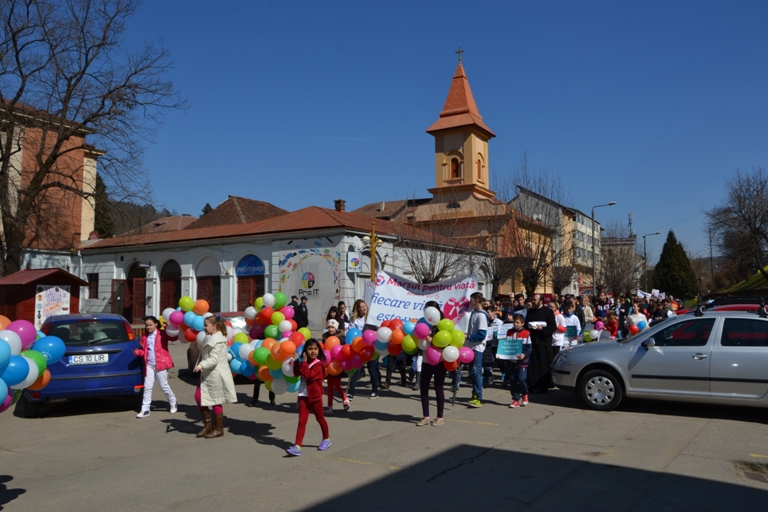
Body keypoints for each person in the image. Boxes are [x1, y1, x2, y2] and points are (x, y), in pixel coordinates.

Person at [193, 315, 237, 438]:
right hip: (208, 374)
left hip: (215, 374)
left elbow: (214, 360)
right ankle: (208, 425)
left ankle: (218, 429)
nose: (204, 328)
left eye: (206, 325)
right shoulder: (213, 338)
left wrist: (201, 365)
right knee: (199, 397)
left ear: (214, 326)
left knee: (215, 400)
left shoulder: (217, 341)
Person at [286, 338, 332, 456]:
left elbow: (309, 375)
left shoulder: (319, 365)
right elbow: (297, 373)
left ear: (318, 351)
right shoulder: (304, 362)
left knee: (320, 418)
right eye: (310, 348)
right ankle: (297, 446)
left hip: (315, 396)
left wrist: (304, 363)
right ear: (305, 351)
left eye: (315, 349)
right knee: (302, 421)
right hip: (303, 396)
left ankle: (326, 439)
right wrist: (297, 361)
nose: (313, 351)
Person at [134, 316, 177, 418]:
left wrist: (171, 328)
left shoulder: (162, 334)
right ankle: (145, 409)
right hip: (149, 364)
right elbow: (145, 351)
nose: (148, 327)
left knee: (164, 386)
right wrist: (138, 352)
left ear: (156, 324)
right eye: (147, 325)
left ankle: (173, 401)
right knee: (148, 387)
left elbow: (174, 337)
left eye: (150, 325)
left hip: (161, 364)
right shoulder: (145, 337)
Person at [416, 301, 449, 426]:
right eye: (425, 310)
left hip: (439, 360)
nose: (426, 313)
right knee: (424, 388)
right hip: (426, 360)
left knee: (438, 387)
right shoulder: (423, 323)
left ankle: (440, 417)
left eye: (428, 310)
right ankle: (426, 416)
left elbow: (446, 342)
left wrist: (433, 340)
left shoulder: (442, 325)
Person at [347, 299, 380, 399]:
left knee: (372, 369)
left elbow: (378, 330)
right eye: (361, 307)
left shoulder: (372, 317)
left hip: (371, 347)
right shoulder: (353, 319)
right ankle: (351, 392)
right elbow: (351, 331)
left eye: (364, 306)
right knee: (356, 370)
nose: (363, 308)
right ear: (357, 309)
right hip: (358, 346)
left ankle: (375, 391)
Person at [525, 294, 556, 393]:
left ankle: (543, 385)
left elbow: (552, 327)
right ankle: (531, 384)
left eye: (535, 300)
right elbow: (526, 324)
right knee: (533, 365)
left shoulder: (548, 312)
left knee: (543, 365)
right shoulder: (530, 311)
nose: (533, 301)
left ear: (541, 301)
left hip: (544, 342)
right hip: (533, 341)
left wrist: (542, 329)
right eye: (533, 299)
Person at [464, 292, 488, 408]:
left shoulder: (482, 315)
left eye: (472, 300)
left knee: (476, 372)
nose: (470, 302)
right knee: (472, 373)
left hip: (477, 348)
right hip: (470, 347)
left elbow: (482, 335)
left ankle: (478, 397)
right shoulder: (474, 313)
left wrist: (468, 337)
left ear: (477, 300)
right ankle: (474, 394)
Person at [505, 314, 532, 408]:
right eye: (514, 322)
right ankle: (515, 399)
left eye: (517, 322)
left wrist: (524, 355)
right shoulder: (509, 332)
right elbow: (506, 346)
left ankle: (524, 394)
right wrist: (502, 354)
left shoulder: (527, 333)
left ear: (522, 323)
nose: (515, 324)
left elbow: (530, 348)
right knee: (512, 380)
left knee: (521, 379)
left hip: (522, 361)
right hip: (512, 361)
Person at [322, 319, 349, 413]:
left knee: (337, 385)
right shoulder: (325, 338)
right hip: (327, 365)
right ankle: (330, 407)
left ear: (336, 328)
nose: (330, 329)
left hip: (337, 365)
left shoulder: (341, 338)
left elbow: (343, 350)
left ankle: (345, 400)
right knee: (329, 386)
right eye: (329, 327)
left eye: (332, 327)